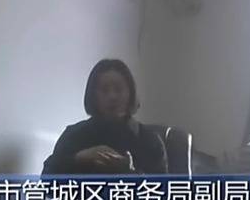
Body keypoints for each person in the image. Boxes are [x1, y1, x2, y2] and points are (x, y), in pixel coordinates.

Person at [42, 59, 175, 175]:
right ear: (93, 96)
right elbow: (47, 181)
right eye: (104, 90)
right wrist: (79, 158)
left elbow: (162, 192)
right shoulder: (75, 134)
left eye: (118, 89)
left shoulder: (149, 140)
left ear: (130, 93)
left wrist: (129, 172)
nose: (112, 96)